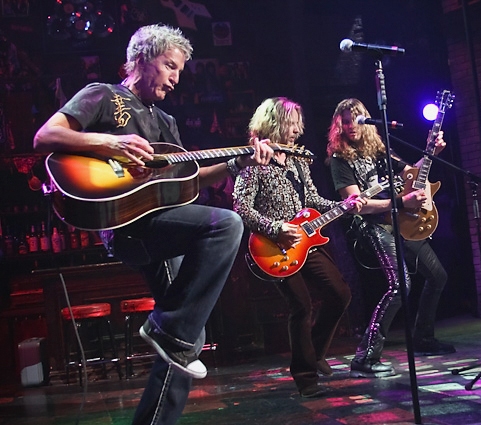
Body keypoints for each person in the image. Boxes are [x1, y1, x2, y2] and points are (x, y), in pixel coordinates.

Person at [33, 24, 273, 425]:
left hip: (164, 222)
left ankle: (157, 402)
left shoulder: (165, 122)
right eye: (169, 67)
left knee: (186, 340)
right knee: (226, 224)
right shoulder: (103, 95)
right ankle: (167, 331)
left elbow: (187, 182)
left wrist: (238, 163)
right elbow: (46, 136)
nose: (176, 79)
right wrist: (111, 143)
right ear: (143, 59)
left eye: (179, 71)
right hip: (128, 225)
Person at [233, 96, 363, 398]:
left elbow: (313, 201)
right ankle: (306, 379)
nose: (297, 131)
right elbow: (240, 207)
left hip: (306, 241)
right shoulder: (256, 160)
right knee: (301, 306)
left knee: (340, 294)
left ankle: (314, 352)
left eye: (298, 125)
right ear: (275, 124)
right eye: (292, 125)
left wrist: (345, 205)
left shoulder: (298, 160)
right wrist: (276, 229)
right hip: (274, 246)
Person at [327, 98, 455, 379]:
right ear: (339, 125)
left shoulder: (379, 149)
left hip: (403, 222)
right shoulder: (339, 159)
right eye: (345, 121)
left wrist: (431, 152)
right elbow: (355, 204)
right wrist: (400, 202)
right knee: (400, 286)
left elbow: (411, 172)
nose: (351, 125)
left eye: (356, 118)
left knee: (437, 276)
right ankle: (365, 356)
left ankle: (423, 338)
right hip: (374, 226)